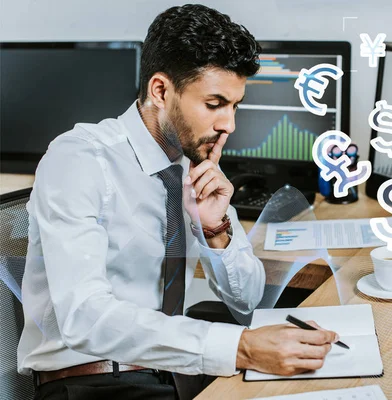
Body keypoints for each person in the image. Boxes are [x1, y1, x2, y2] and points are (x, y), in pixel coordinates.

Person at [17, 4, 338, 400]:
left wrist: (214, 229)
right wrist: (241, 347)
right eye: (215, 103)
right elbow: (85, 318)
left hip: (171, 370)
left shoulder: (192, 166)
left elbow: (248, 300)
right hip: (90, 380)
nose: (229, 125)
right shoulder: (78, 159)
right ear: (161, 90)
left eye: (235, 105)